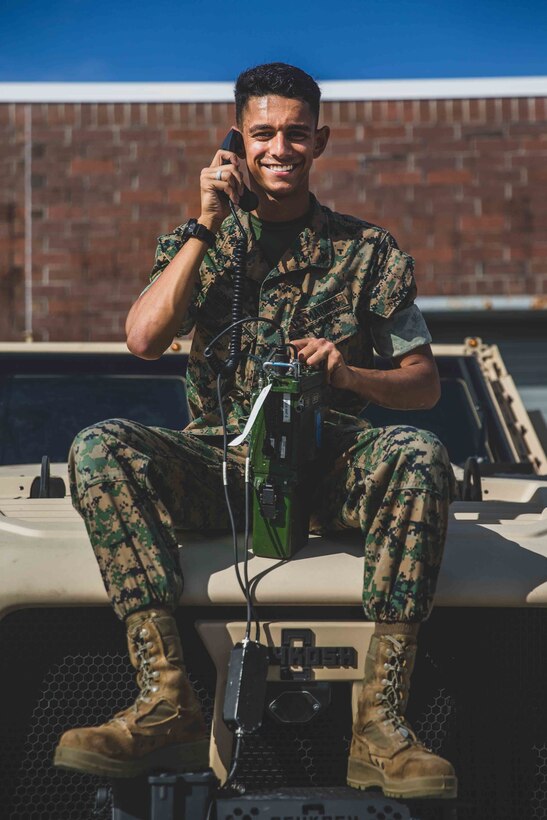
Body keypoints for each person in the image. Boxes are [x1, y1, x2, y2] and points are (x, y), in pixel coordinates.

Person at [54, 62, 457, 799]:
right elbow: (143, 339)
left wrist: (348, 374)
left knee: (419, 454)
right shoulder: (198, 243)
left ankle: (380, 727)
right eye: (263, 133)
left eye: (296, 134)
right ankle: (165, 696)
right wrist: (208, 221)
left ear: (320, 140)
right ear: (237, 141)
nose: (280, 148)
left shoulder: (368, 253)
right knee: (100, 444)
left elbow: (423, 385)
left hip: (330, 463)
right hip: (222, 460)